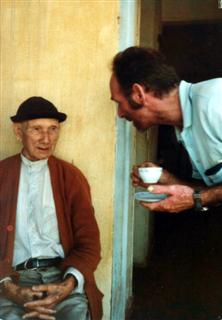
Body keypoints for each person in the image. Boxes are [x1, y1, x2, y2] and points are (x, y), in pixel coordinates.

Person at [0, 97, 103, 320]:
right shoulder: (2, 174)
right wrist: (9, 287)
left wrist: (68, 284)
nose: (46, 139)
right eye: (37, 129)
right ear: (18, 132)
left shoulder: (71, 178)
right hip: (13, 279)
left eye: (53, 129)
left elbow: (89, 243)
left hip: (61, 278)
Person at [110, 46, 222, 213]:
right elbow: (213, 191)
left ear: (138, 94)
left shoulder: (215, 101)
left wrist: (198, 199)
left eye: (119, 103)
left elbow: (204, 196)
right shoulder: (180, 128)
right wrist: (168, 179)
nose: (119, 113)